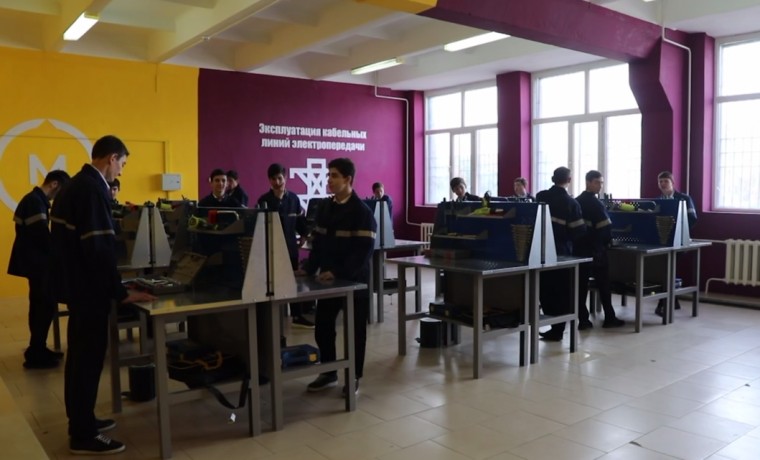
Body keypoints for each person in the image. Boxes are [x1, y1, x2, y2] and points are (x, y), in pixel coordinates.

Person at [51, 135, 155, 455]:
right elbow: (98, 248)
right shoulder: (92, 189)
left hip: (78, 287)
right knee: (87, 360)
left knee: (80, 359)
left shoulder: (74, 185)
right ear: (111, 158)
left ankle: (82, 419)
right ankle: (82, 435)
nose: (121, 170)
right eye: (122, 163)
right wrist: (120, 292)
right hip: (89, 291)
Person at [298, 158, 376, 394]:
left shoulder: (362, 212)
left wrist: (338, 272)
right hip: (328, 283)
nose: (329, 180)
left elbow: (362, 252)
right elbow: (318, 243)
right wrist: (309, 268)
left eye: (334, 175)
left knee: (355, 332)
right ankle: (329, 371)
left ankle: (354, 376)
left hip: (355, 281)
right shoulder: (325, 207)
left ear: (348, 179)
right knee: (323, 326)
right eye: (328, 175)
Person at [7, 169, 70, 369]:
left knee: (41, 306)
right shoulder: (35, 202)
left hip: (35, 263)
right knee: (43, 307)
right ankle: (36, 352)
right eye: (61, 191)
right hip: (38, 264)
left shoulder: (34, 200)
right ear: (54, 184)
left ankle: (38, 347)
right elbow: (41, 236)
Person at [257, 163, 314, 328]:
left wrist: (304, 235)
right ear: (269, 180)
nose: (277, 182)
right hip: (271, 250)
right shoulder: (264, 200)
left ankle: (296, 316)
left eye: (280, 178)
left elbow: (300, 221)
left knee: (292, 283)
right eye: (273, 179)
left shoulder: (294, 199)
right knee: (270, 284)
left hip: (290, 249)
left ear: (285, 178)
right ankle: (270, 316)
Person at [535, 167, 586, 342]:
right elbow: (578, 232)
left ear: (552, 178)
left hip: (539, 252)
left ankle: (550, 325)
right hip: (562, 253)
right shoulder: (571, 203)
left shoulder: (541, 196)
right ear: (569, 180)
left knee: (545, 290)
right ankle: (558, 329)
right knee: (561, 291)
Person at [575, 170, 625, 330]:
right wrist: (607, 243)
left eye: (601, 183)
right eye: (597, 182)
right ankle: (609, 317)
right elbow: (605, 229)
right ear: (588, 182)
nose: (600, 186)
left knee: (580, 287)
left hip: (579, 250)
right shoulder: (596, 204)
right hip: (596, 250)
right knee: (603, 284)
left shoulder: (576, 201)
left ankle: (583, 320)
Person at [655, 170, 697, 316]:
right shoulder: (658, 200)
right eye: (660, 181)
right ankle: (674, 301)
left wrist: (680, 231)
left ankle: (663, 304)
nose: (663, 184)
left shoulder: (684, 198)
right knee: (665, 271)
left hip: (680, 242)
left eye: (665, 181)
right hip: (663, 241)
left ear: (672, 183)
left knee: (667, 270)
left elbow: (692, 218)